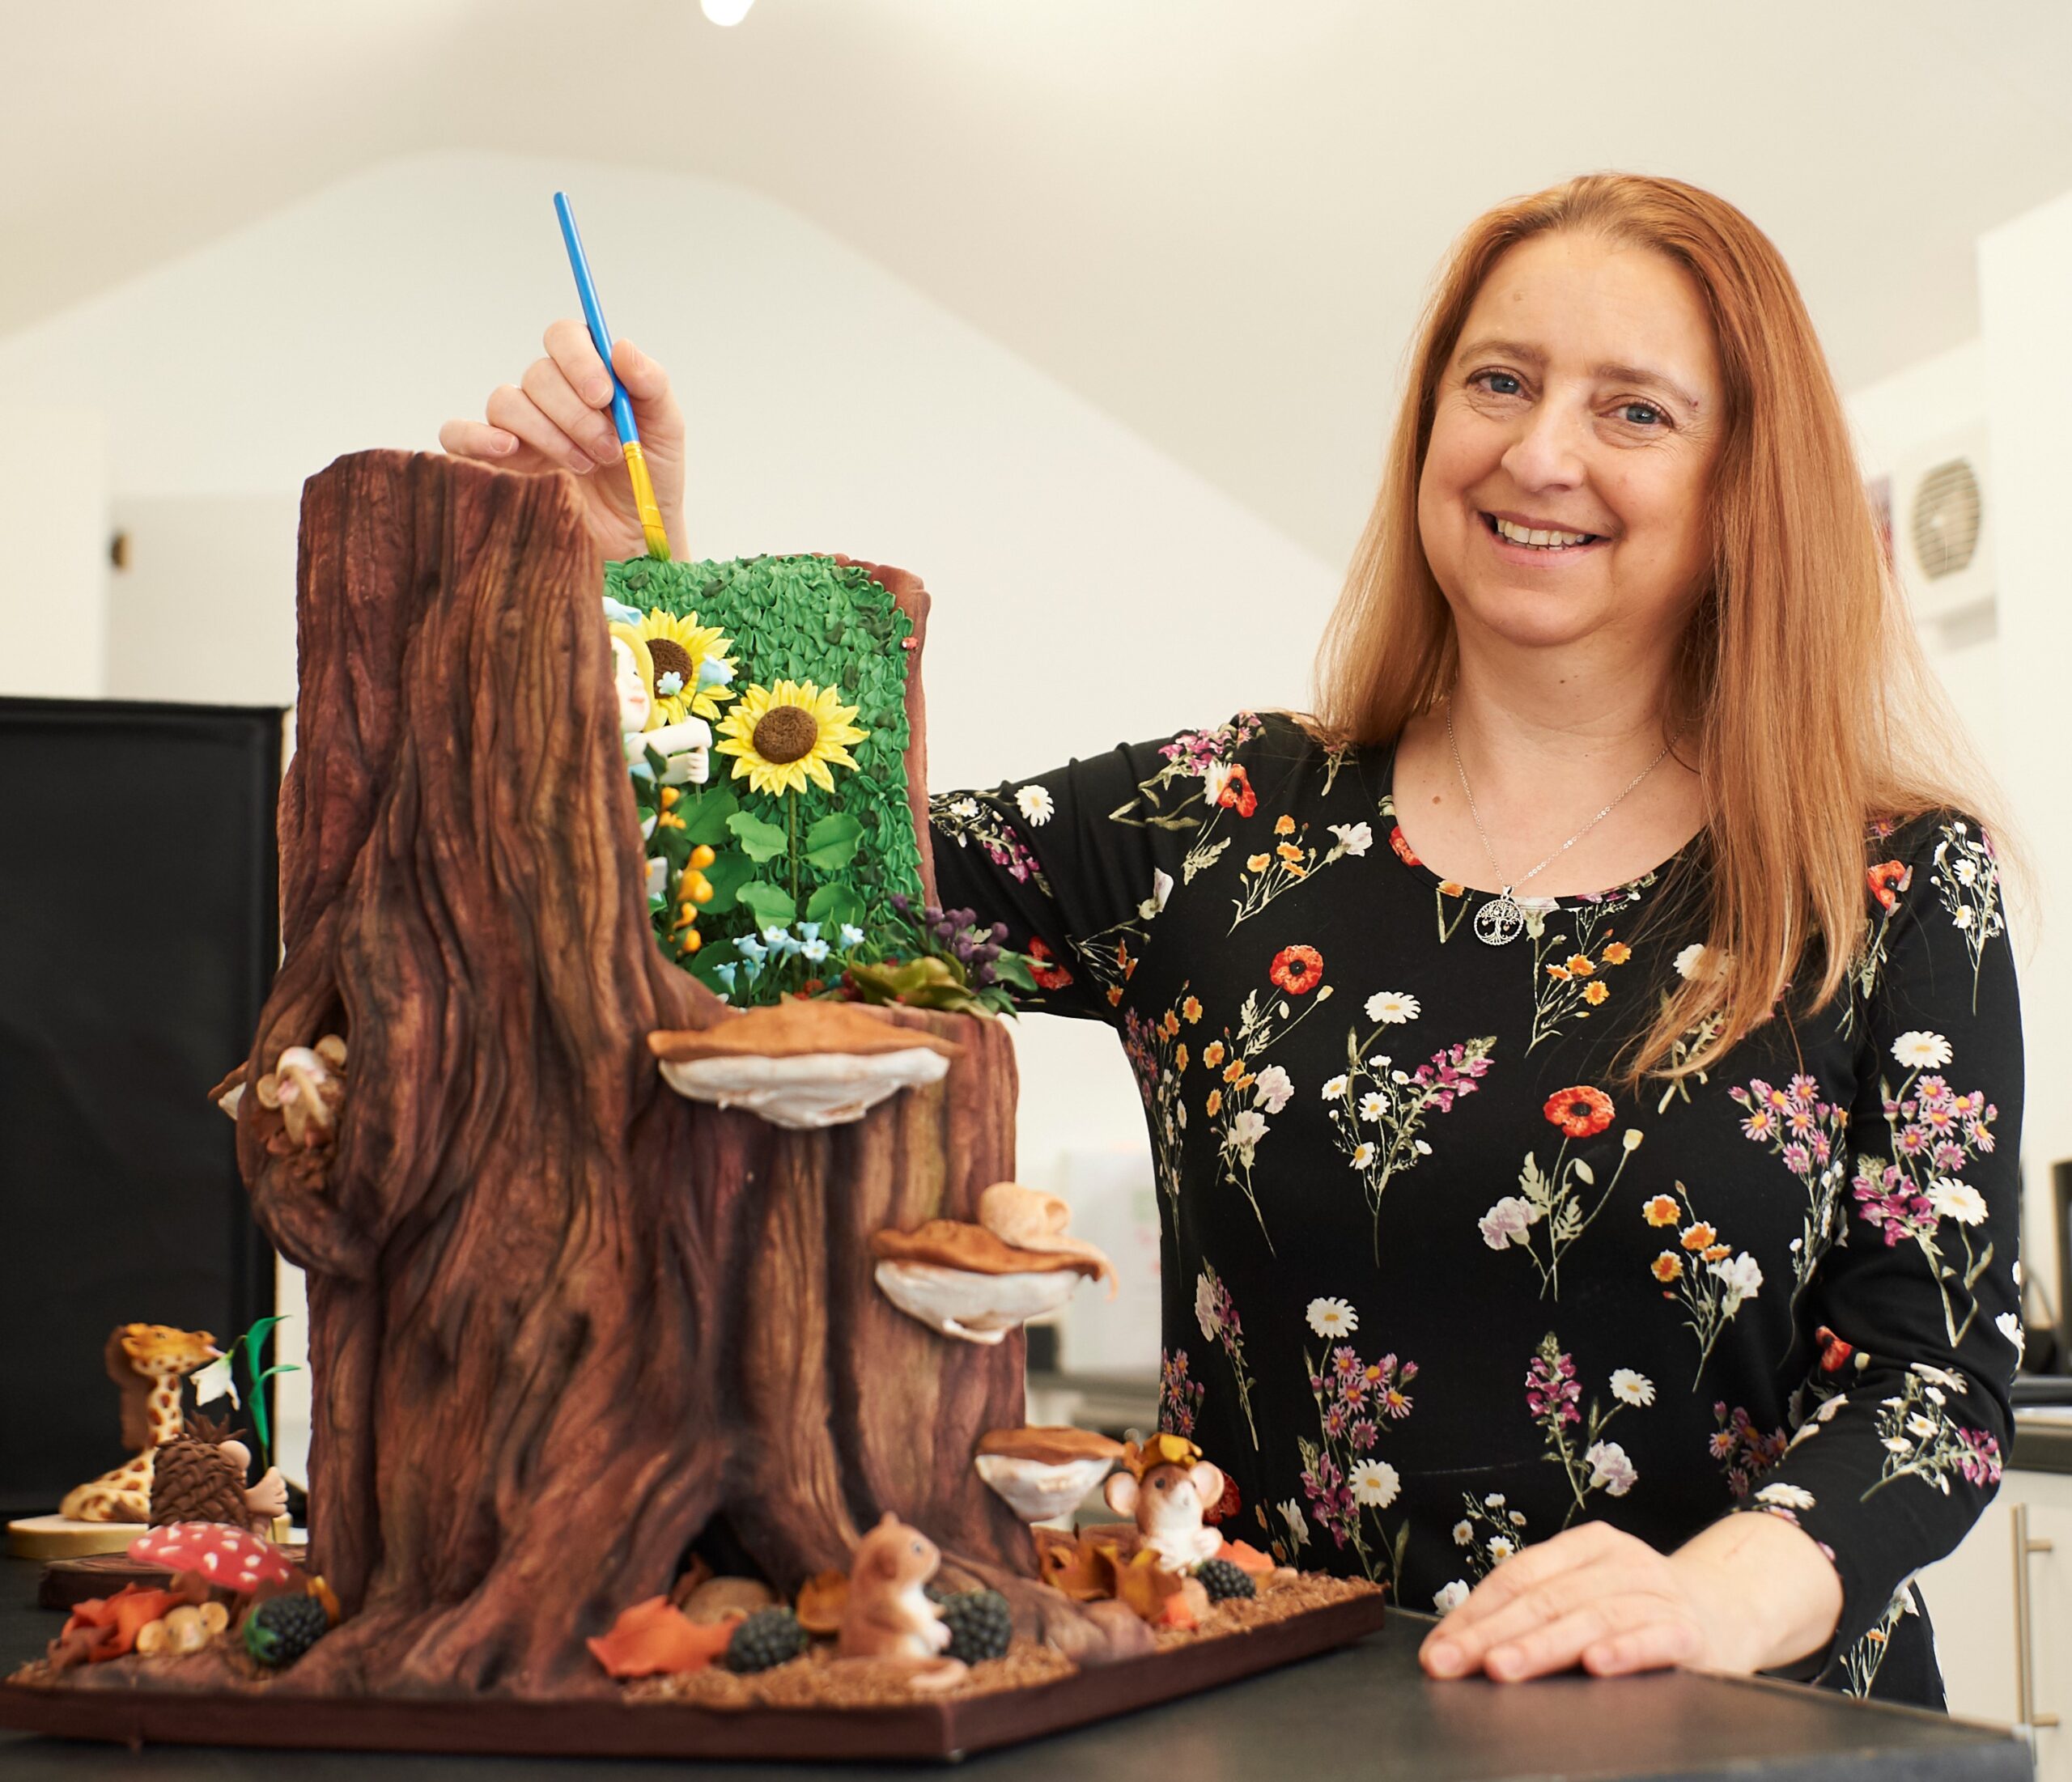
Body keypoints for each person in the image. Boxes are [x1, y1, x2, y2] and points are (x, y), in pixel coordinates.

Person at [440, 172, 2023, 1708]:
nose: (1540, 452)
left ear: (1744, 482)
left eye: (1634, 410)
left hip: (1737, 1733)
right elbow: (799, 903)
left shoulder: (1886, 880)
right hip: (1283, 1725)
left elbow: (1931, 1383)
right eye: (1498, 381)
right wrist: (634, 590)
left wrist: (1706, 1596)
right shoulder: (1216, 822)